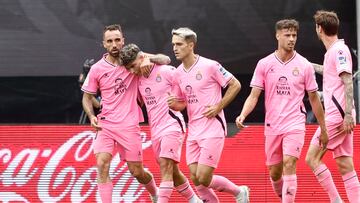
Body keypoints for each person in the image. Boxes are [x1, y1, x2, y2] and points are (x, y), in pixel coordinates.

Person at [235, 19, 328, 203]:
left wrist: (324, 128)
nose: (291, 39)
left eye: (294, 35)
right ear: (278, 35)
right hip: (272, 125)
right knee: (275, 172)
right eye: (287, 35)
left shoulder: (304, 65)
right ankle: (283, 195)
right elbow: (254, 95)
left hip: (295, 123)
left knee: (289, 162)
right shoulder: (264, 63)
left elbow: (314, 99)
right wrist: (243, 114)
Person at [81, 24, 170, 203]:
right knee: (102, 164)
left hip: (129, 124)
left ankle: (155, 193)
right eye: (109, 41)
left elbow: (166, 59)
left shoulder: (133, 60)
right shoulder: (97, 69)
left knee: (137, 172)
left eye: (117, 40)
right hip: (105, 123)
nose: (114, 44)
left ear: (123, 41)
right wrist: (91, 116)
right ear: (104, 44)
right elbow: (87, 98)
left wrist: (146, 59)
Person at [168, 27, 249, 203]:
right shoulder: (177, 73)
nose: (175, 48)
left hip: (213, 128)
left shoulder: (210, 65)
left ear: (191, 45)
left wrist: (218, 106)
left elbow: (235, 85)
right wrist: (172, 104)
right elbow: (181, 104)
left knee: (204, 177)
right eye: (173, 44)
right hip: (194, 130)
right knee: (196, 178)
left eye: (179, 44)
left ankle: (239, 192)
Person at [119, 43, 202, 203]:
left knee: (165, 167)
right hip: (155, 130)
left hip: (172, 125)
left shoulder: (166, 71)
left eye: (133, 66)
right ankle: (195, 201)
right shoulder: (138, 80)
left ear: (142, 58)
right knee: (174, 172)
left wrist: (179, 103)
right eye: (128, 68)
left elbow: (188, 91)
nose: (131, 71)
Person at [305, 10, 360, 203]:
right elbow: (329, 73)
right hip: (341, 114)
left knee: (311, 158)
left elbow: (348, 81)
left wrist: (347, 115)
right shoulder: (333, 51)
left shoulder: (339, 50)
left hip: (338, 116)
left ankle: (335, 200)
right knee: (345, 165)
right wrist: (307, 64)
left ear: (319, 29)